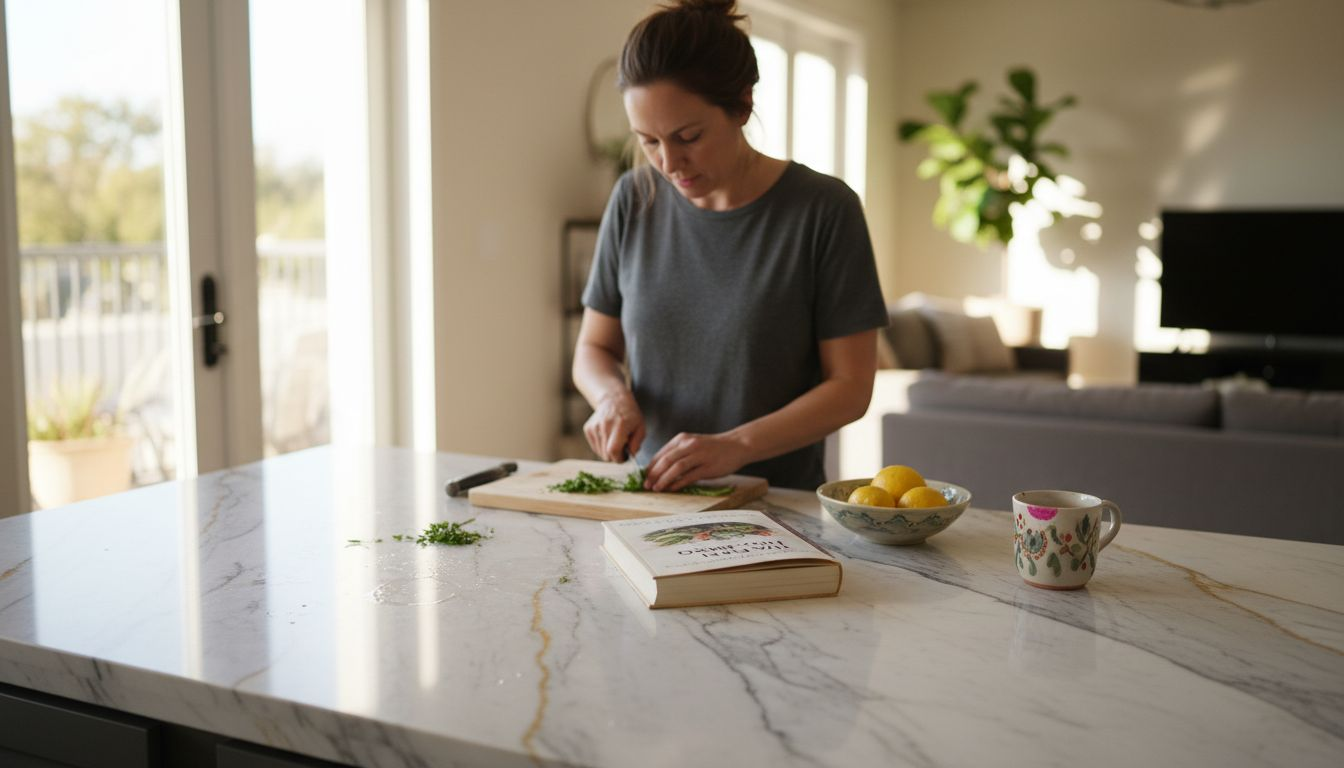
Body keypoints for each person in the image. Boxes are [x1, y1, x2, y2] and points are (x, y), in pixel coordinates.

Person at [573, 0, 887, 492]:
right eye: (648, 141)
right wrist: (610, 397)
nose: (669, 163)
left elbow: (851, 388)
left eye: (689, 136)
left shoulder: (823, 210)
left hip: (778, 507)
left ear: (742, 105)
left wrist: (735, 446)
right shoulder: (633, 200)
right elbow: (592, 348)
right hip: (654, 498)